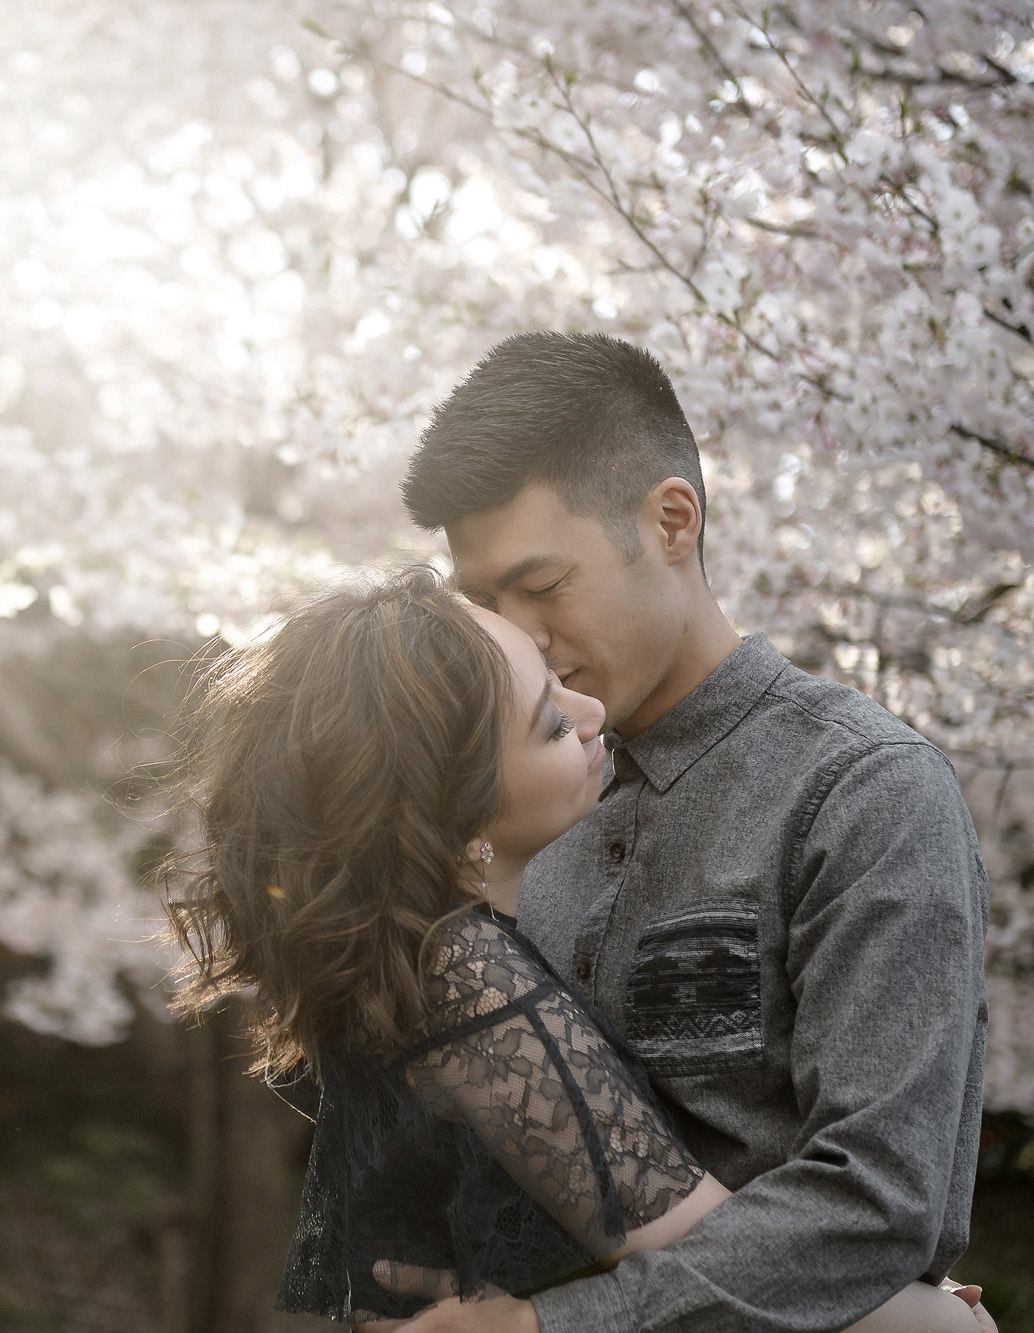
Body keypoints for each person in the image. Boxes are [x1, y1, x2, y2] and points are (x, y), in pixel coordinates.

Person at [157, 566, 987, 1332]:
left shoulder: (418, 966)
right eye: (551, 723)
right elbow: (706, 1251)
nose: (590, 713)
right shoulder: (468, 983)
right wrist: (933, 1314)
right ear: (460, 824)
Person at [369, 333, 993, 1332]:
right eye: (484, 601)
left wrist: (551, 1328)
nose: (517, 633)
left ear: (670, 521)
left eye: (541, 585)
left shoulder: (862, 792)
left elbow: (877, 1202)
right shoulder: (513, 813)